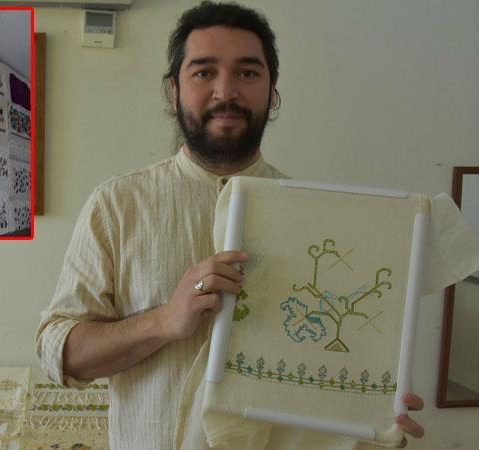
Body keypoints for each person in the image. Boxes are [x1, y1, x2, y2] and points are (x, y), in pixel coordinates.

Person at [36, 2, 424, 449]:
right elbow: (59, 353)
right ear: (173, 90)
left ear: (272, 91)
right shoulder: (117, 205)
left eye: (247, 73)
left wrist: (374, 416)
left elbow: (338, 370)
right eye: (204, 72)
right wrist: (165, 320)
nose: (226, 91)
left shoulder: (321, 221)